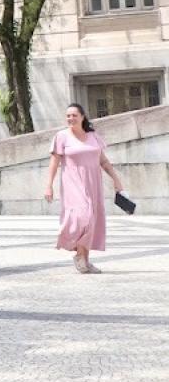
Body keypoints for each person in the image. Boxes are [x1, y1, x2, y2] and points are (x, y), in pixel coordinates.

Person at [44, 103, 128, 274]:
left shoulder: (93, 136)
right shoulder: (62, 136)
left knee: (92, 220)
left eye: (74, 115)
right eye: (68, 115)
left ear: (82, 117)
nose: (70, 118)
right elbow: (54, 163)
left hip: (93, 183)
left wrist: (116, 180)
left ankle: (85, 260)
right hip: (72, 183)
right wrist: (49, 185)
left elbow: (103, 161)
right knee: (85, 216)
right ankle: (80, 256)